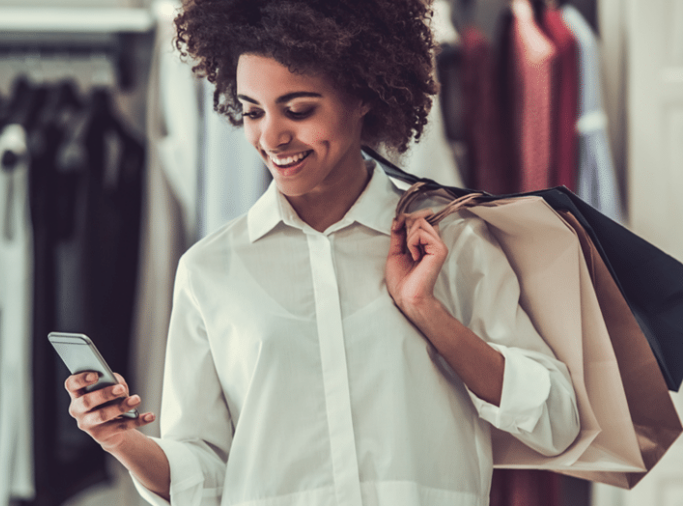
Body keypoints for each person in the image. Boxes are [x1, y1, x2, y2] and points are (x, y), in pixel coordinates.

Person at [64, 1, 581, 505]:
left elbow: (556, 423)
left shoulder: (454, 241)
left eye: (299, 109)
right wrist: (122, 442)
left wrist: (427, 311)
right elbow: (205, 477)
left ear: (362, 95)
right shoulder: (209, 270)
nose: (271, 137)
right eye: (251, 112)